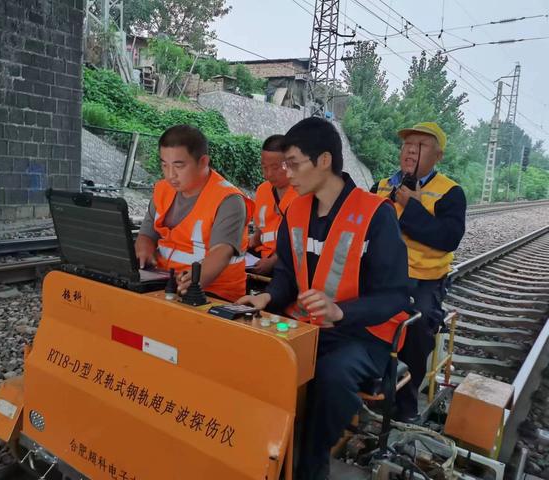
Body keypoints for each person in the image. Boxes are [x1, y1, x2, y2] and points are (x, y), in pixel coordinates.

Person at [238, 117, 411, 479]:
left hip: (364, 335)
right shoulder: (297, 210)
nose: (287, 174)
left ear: (325, 161)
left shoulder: (375, 214)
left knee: (331, 377)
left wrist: (341, 312)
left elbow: (395, 295)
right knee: (259, 357)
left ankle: (311, 466)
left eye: (293, 164)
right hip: (308, 324)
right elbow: (288, 272)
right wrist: (267, 297)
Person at [371, 122, 466, 422]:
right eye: (407, 144)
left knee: (419, 325)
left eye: (421, 145)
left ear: (438, 156)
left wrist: (412, 207)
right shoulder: (381, 186)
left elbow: (448, 238)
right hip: (382, 274)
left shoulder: (450, 192)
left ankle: (405, 404)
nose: (411, 150)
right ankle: (367, 385)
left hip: (423, 281)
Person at [135, 125, 254, 302]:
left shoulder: (229, 200)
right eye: (164, 165)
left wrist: (194, 282)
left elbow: (221, 252)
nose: (170, 175)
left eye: (179, 166)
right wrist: (143, 250)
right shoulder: (162, 190)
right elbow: (146, 234)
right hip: (162, 284)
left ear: (203, 162)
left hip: (213, 295)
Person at [248, 135, 299, 275]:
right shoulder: (262, 190)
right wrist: (249, 242)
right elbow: (260, 231)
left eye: (275, 168)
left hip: (288, 262)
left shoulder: (302, 192)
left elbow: (299, 241)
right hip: (261, 256)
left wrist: (273, 261)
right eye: (264, 167)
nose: (268, 174)